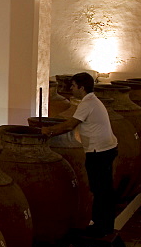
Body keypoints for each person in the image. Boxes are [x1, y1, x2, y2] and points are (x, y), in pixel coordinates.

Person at [41, 72, 118, 235]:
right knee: (103, 189)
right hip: (105, 149)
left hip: (99, 151)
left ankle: (101, 227)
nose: (71, 88)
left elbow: (70, 125)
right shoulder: (92, 101)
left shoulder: (87, 103)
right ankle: (104, 224)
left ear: (81, 88)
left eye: (74, 85)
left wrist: (48, 131)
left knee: (100, 190)